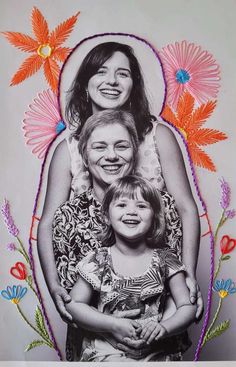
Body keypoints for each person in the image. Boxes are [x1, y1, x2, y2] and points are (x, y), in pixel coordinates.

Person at [37, 39, 202, 350]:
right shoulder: (68, 148)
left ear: (134, 85)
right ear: (85, 84)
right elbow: (48, 222)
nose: (111, 81)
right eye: (101, 71)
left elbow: (186, 208)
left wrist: (188, 273)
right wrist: (56, 286)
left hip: (158, 299)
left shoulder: (158, 136)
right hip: (95, 310)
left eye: (122, 74)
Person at [52, 109, 183, 360]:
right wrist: (114, 332)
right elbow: (73, 302)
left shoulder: (163, 206)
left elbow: (177, 295)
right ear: (84, 156)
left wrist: (155, 333)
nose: (111, 156)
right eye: (99, 147)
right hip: (99, 348)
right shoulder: (67, 217)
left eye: (121, 146)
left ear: (134, 153)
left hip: (159, 348)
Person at [66, 175, 196, 362]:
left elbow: (187, 306)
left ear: (155, 217)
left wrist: (164, 328)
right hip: (107, 350)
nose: (132, 211)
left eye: (141, 206)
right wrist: (113, 324)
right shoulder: (99, 260)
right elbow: (74, 305)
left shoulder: (166, 259)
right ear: (106, 216)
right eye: (122, 205)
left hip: (156, 351)